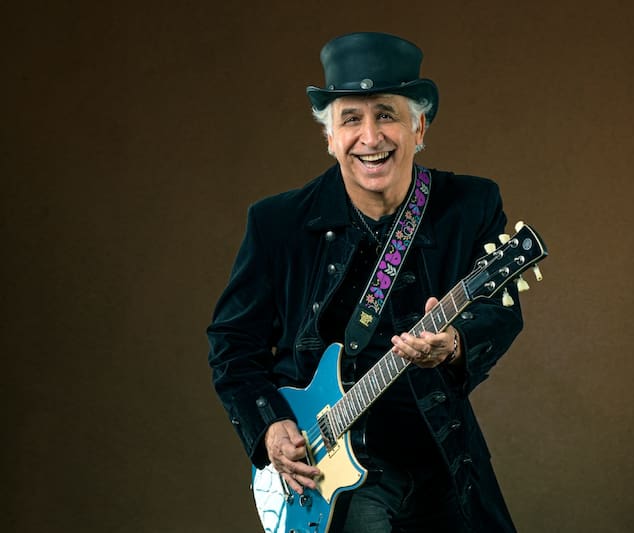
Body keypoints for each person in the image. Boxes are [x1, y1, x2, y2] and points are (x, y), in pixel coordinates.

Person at [207, 31, 524, 532]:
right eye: (351, 119)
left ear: (419, 127)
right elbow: (232, 344)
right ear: (329, 137)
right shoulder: (277, 223)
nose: (370, 138)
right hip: (332, 473)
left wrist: (454, 344)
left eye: (387, 115)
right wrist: (269, 425)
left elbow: (499, 312)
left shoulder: (470, 205)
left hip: (441, 456)